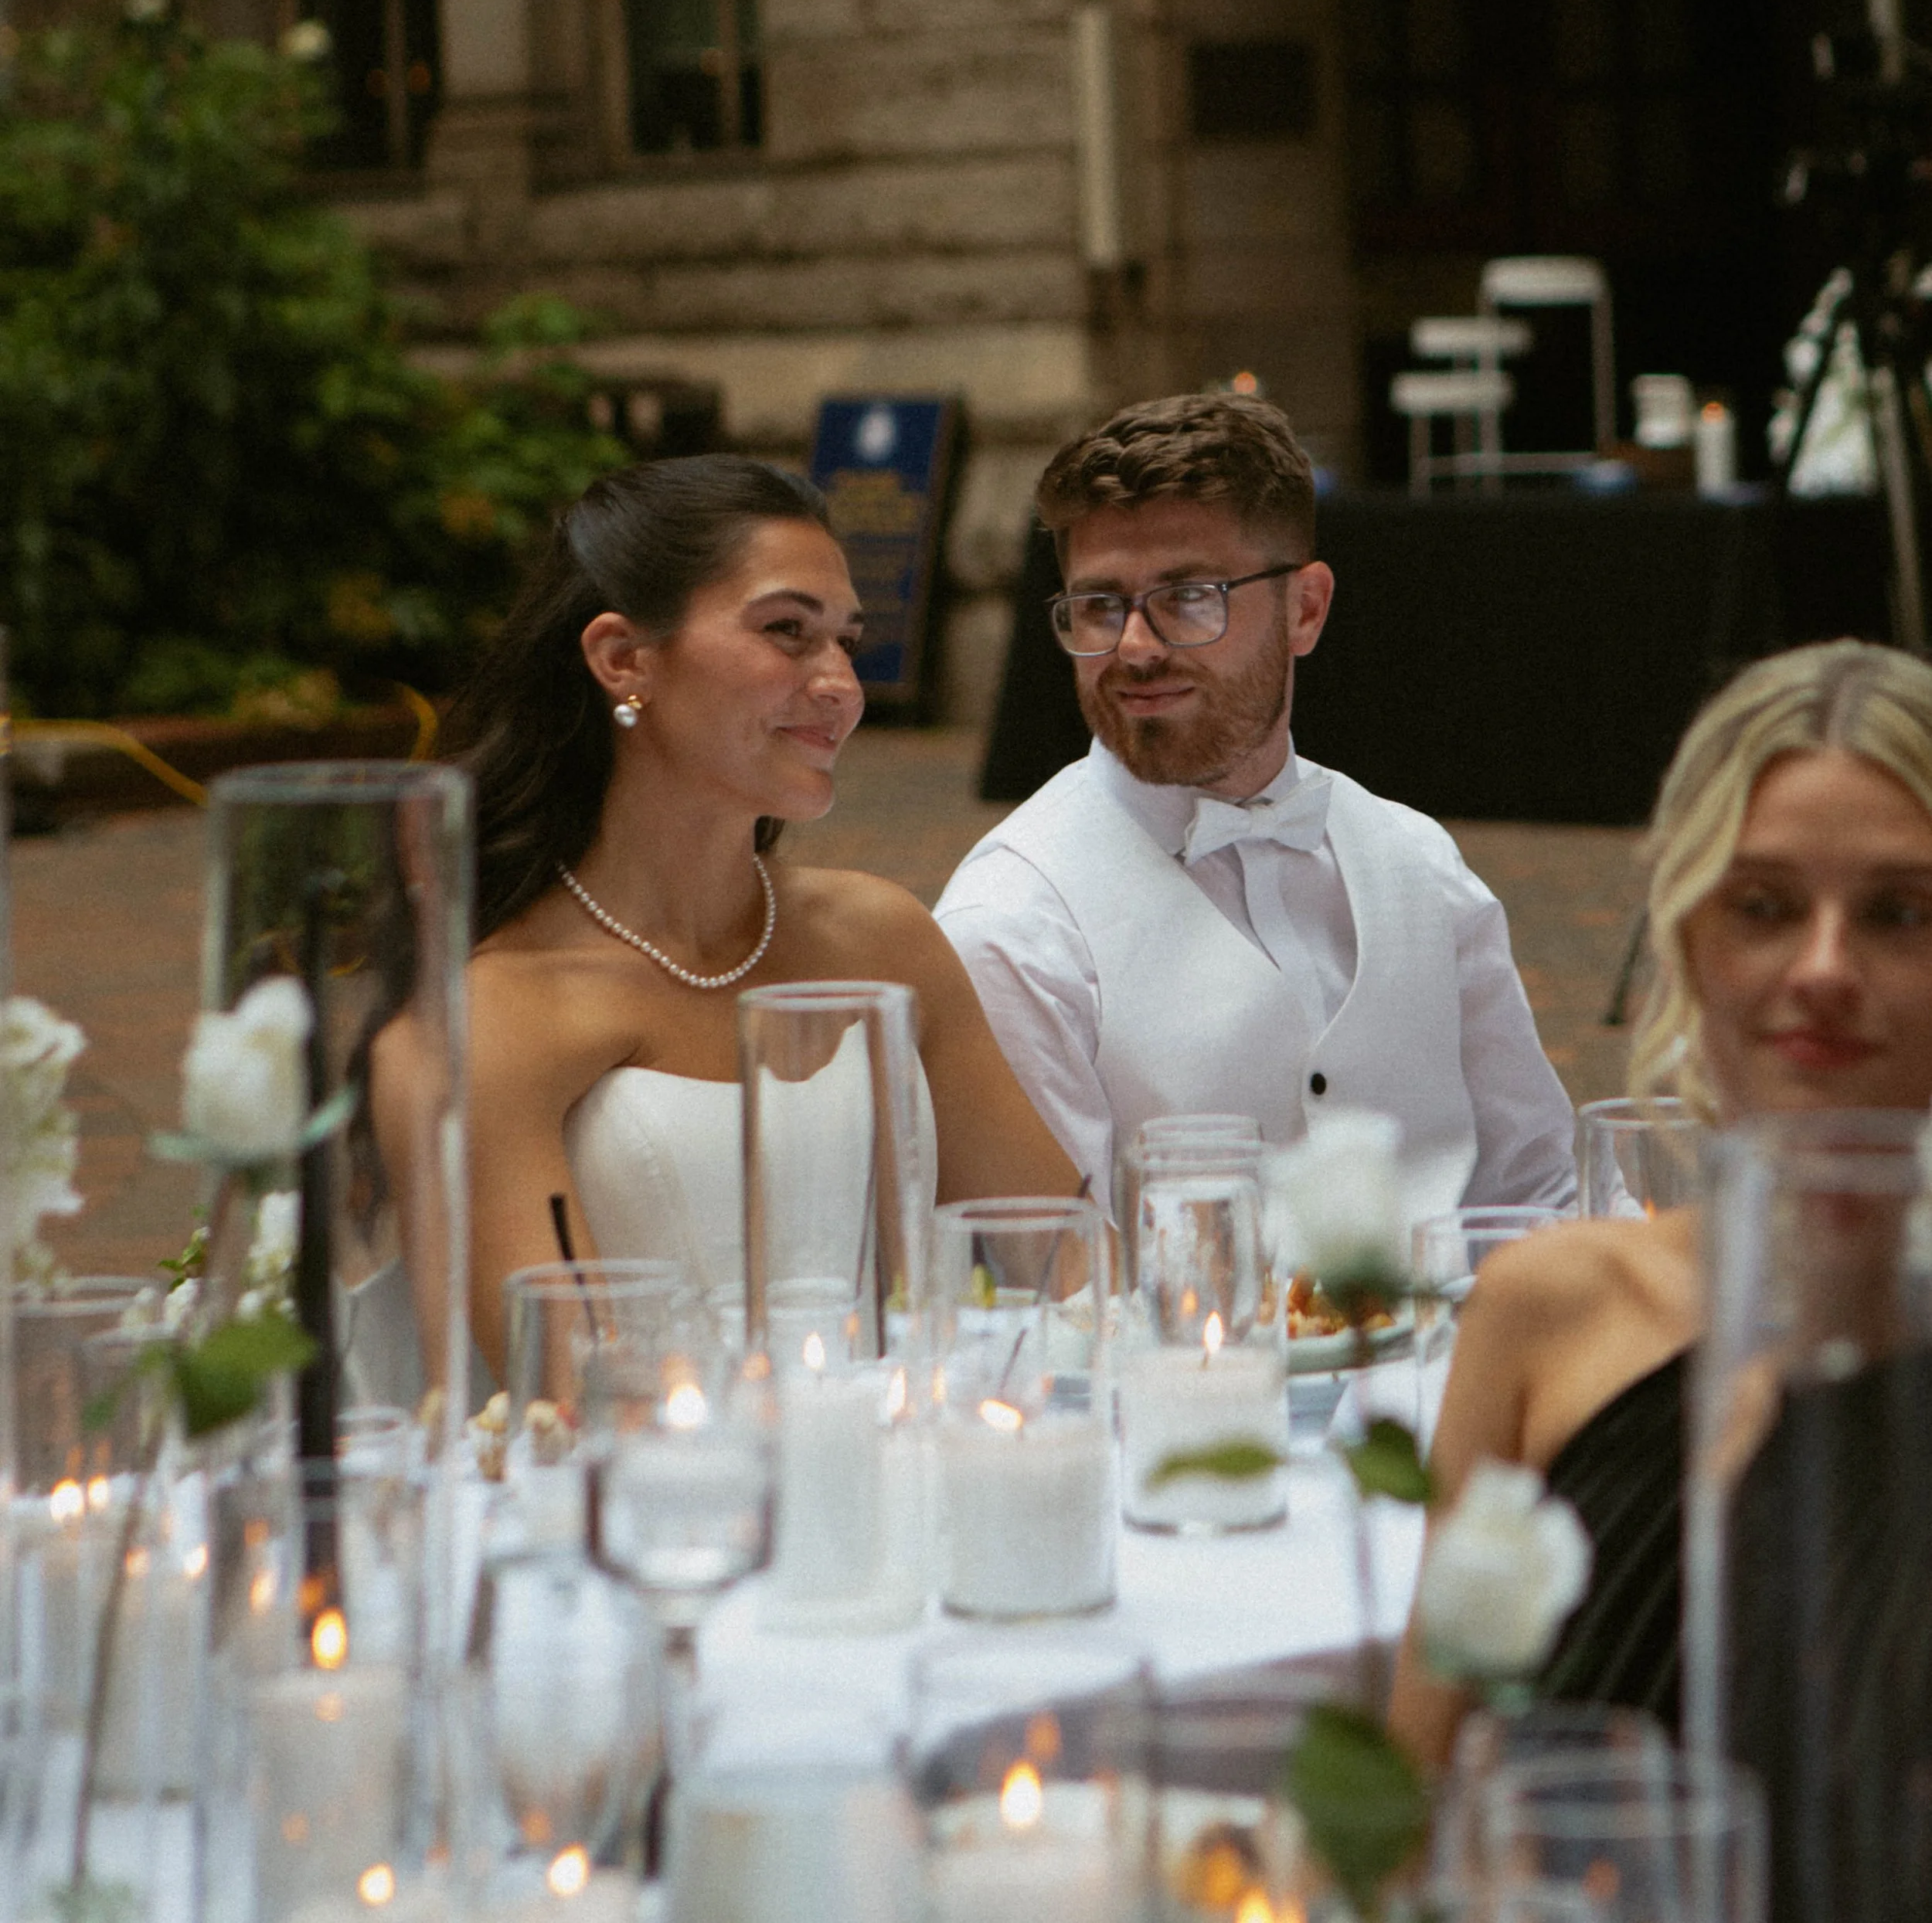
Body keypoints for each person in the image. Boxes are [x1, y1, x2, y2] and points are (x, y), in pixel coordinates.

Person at [1388, 636, 1932, 1773]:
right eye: (1766, 904)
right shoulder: (1554, 1309)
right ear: (1690, 933)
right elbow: (1412, 1804)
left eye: (1898, 913)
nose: (1823, 966)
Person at [414, 455, 1079, 1376]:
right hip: (668, 1499)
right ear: (622, 660)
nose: (841, 684)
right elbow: (568, 1393)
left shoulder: (878, 938)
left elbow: (1067, 1258)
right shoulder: (500, 1009)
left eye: (846, 640)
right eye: (786, 632)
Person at [934, 392, 1576, 1222]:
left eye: (1188, 596)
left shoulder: (1418, 865)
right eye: (1099, 605)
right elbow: (1059, 1289)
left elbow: (1541, 1194)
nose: (1134, 646)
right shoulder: (1012, 925)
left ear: (1305, 608)